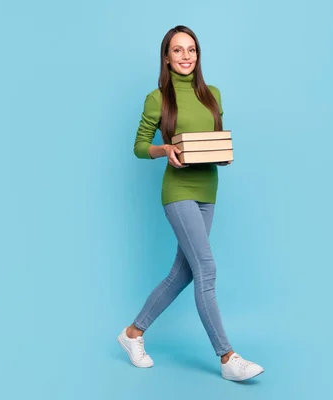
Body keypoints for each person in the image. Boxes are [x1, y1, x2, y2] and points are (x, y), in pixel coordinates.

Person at [117, 25, 264, 382]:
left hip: (207, 189)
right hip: (178, 191)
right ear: (166, 57)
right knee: (207, 270)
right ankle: (227, 357)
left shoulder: (212, 94)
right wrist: (163, 150)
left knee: (182, 273)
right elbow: (139, 147)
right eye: (178, 50)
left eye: (192, 50)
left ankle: (132, 333)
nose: (186, 56)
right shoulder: (158, 99)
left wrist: (224, 155)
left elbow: (216, 140)